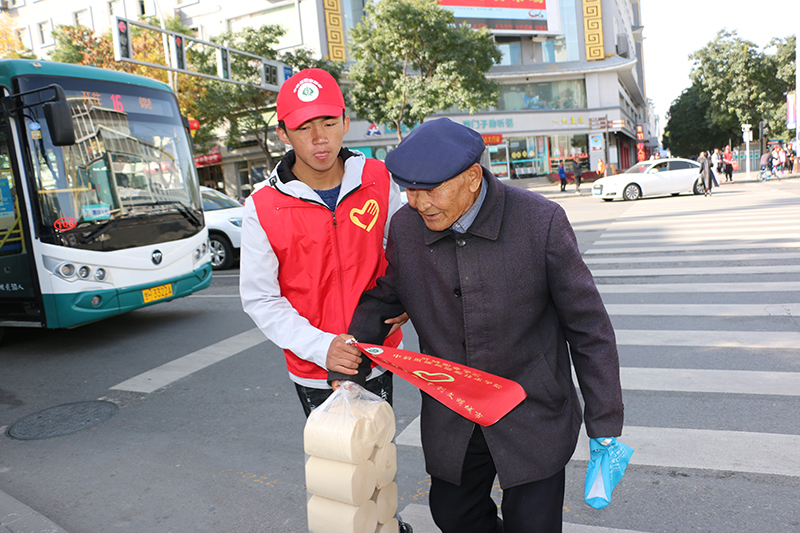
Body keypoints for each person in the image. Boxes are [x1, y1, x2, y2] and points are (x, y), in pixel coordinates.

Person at [327, 118, 624, 533]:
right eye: (409, 190)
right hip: (454, 412)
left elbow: (588, 327)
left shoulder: (539, 221)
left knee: (533, 525)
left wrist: (604, 422)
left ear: (471, 178)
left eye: (431, 190)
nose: (419, 203)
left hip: (531, 407)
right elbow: (387, 296)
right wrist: (350, 362)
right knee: (454, 514)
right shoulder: (407, 228)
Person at [239, 68, 407, 417]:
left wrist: (410, 297)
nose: (319, 138)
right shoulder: (262, 206)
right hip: (315, 369)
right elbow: (261, 298)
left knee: (380, 448)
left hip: (379, 353)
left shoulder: (378, 177)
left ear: (345, 122)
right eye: (304, 127)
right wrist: (321, 347)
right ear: (283, 133)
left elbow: (405, 250)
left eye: (329, 123)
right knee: (335, 454)